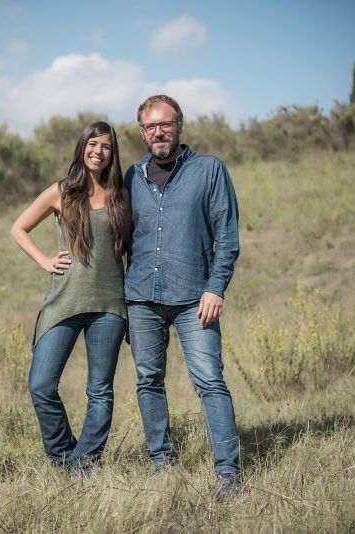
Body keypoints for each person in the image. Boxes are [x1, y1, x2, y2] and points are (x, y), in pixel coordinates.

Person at [124, 95, 242, 499]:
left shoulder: (209, 170)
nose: (158, 132)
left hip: (196, 297)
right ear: (142, 131)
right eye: (150, 126)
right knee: (148, 380)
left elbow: (227, 237)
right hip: (141, 298)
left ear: (179, 126)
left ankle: (228, 472)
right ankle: (162, 462)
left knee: (210, 381)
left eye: (165, 124)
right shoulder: (131, 176)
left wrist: (215, 287)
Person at [11, 121, 130, 476]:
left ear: (113, 153)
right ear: (82, 148)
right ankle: (65, 457)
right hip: (64, 302)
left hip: (109, 305)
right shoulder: (61, 192)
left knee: (100, 391)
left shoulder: (122, 194)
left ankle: (83, 464)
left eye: (106, 146)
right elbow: (19, 227)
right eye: (92, 144)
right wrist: (44, 260)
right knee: (41, 385)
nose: (98, 151)